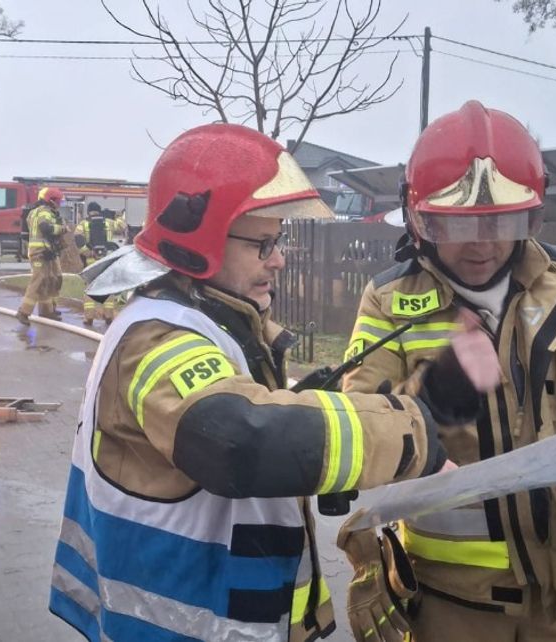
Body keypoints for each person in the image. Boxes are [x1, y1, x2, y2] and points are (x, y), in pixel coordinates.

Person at [47, 123, 499, 641]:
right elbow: (238, 437)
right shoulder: (158, 336)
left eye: (277, 241)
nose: (279, 258)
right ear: (202, 242)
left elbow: (276, 415)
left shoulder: (213, 322)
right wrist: (411, 436)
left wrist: (431, 399)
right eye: (263, 244)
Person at [340, 100, 556, 642]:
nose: (482, 244)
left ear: (533, 213)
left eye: (502, 221)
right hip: (455, 607)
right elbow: (360, 426)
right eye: (458, 225)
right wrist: (439, 393)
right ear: (420, 218)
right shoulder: (389, 300)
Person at [16, 187, 66, 325]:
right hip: (39, 253)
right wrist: (62, 229)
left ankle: (47, 311)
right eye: (58, 202)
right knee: (38, 280)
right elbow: (46, 228)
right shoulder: (43, 212)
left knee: (50, 279)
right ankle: (23, 312)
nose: (60, 204)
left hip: (46, 251)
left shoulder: (37, 212)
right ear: (51, 200)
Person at [75, 203, 128, 325]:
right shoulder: (109, 222)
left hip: (91, 261)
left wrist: (86, 252)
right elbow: (122, 226)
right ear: (99, 211)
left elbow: (77, 238)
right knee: (107, 286)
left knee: (90, 287)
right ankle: (108, 316)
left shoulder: (84, 224)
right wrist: (118, 215)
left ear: (89, 212)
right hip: (106, 260)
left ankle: (89, 317)